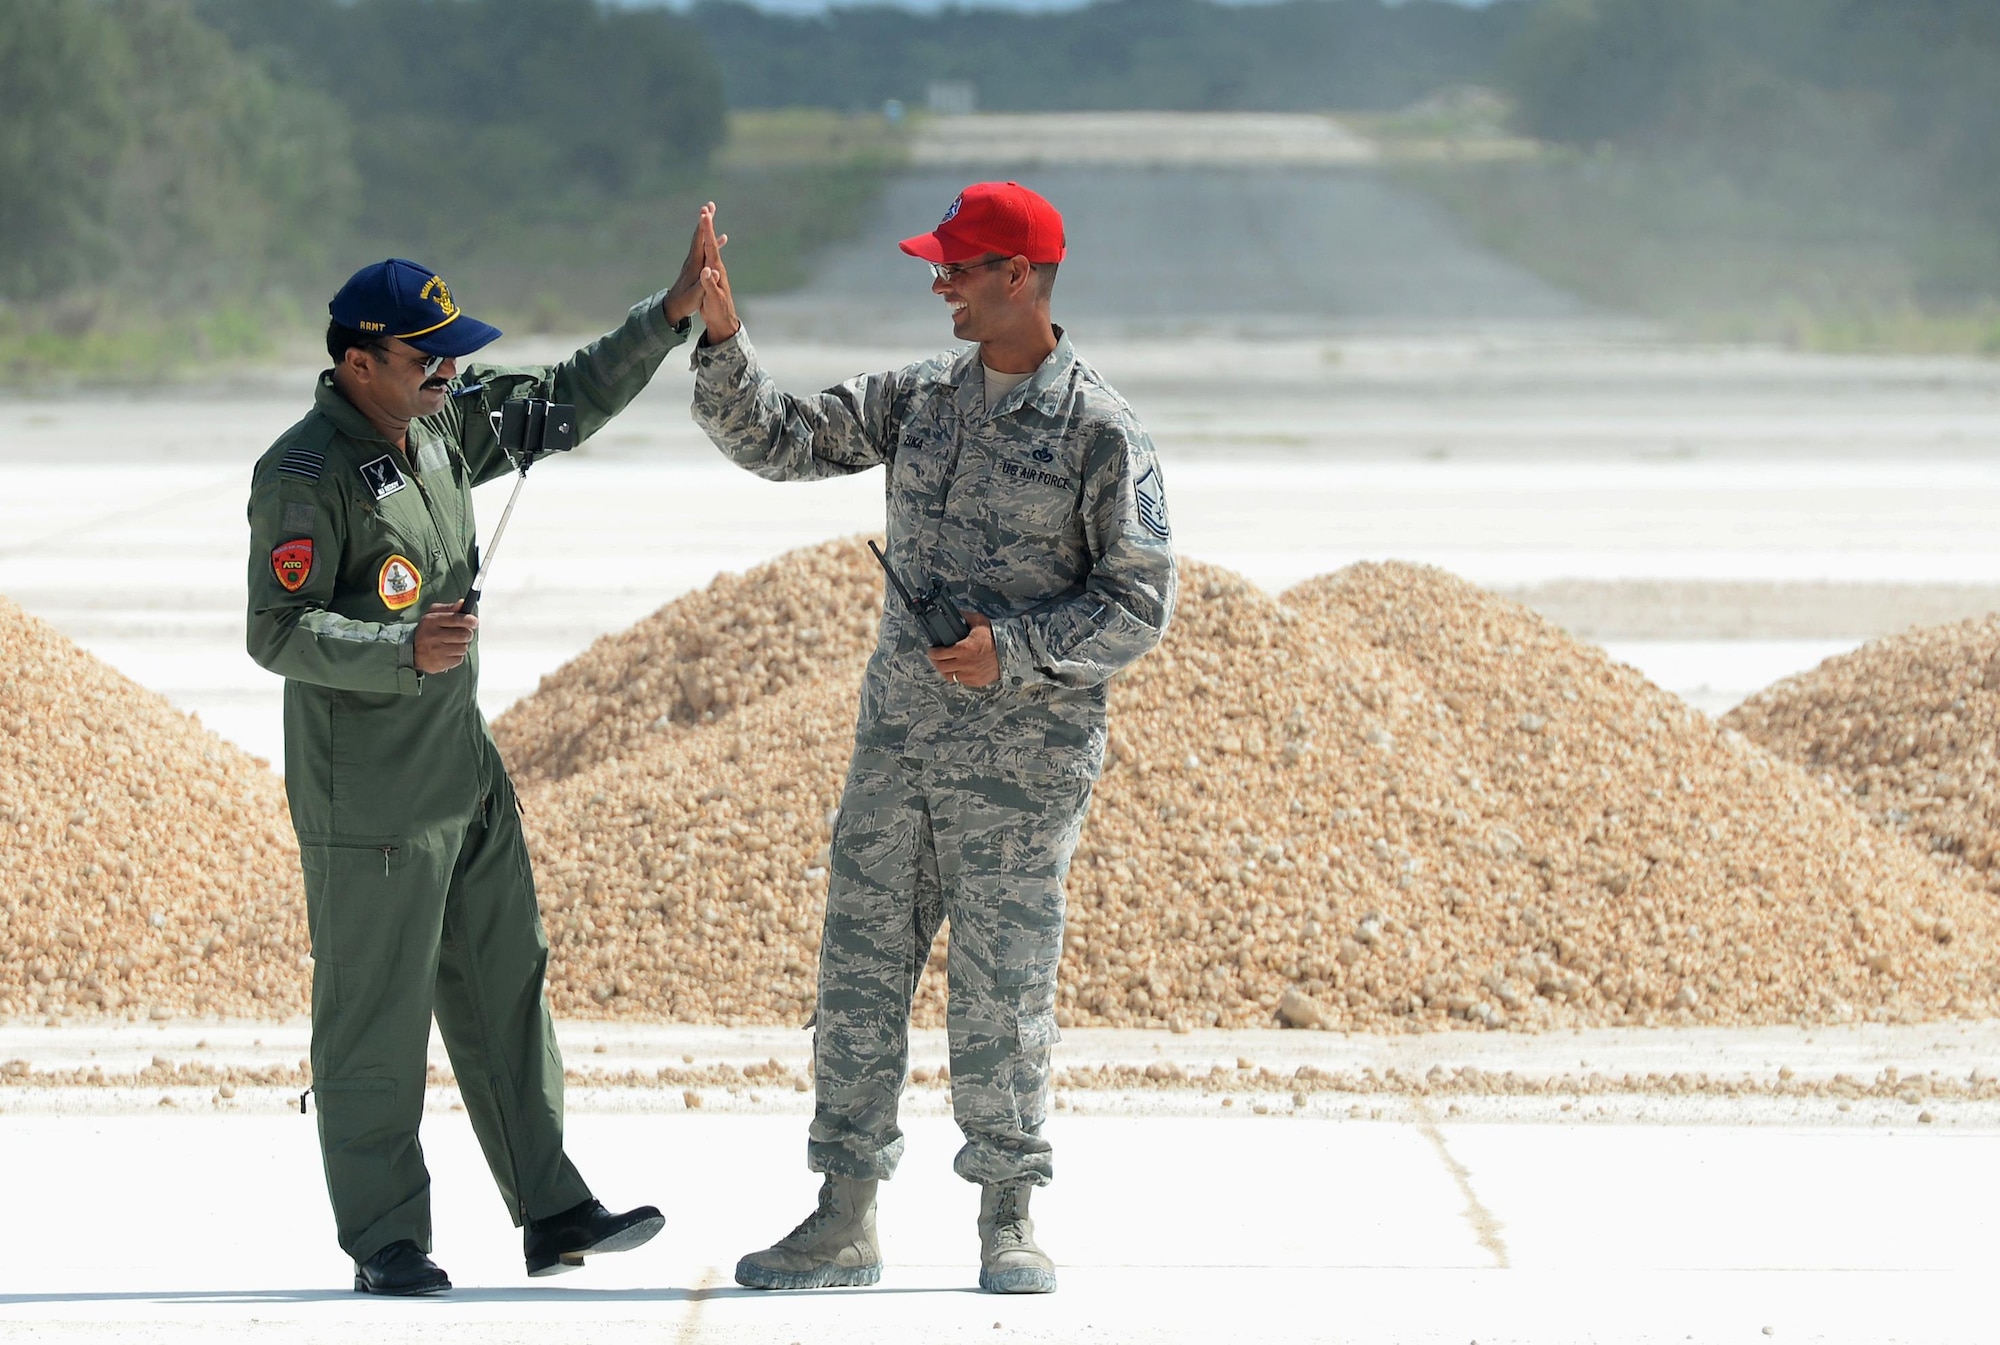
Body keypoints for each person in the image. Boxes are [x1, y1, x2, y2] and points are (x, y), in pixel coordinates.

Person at [686, 184, 1177, 1295]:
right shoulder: (918, 401)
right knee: (857, 974)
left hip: (1020, 768)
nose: (937, 284)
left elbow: (1138, 603)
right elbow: (780, 439)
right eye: (938, 266)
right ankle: (842, 1214)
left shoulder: (1099, 430)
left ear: (1020, 276)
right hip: (898, 749)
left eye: (958, 267)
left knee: (1002, 988)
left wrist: (1015, 650)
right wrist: (722, 338)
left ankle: (1008, 1214)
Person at [245, 221, 713, 1295]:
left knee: (508, 983)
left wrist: (669, 315)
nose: (446, 373)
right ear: (356, 361)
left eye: (450, 354)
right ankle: (385, 1240)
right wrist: (397, 645)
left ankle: (551, 1207)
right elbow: (277, 630)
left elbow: (563, 397)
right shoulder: (304, 475)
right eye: (424, 357)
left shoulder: (442, 423)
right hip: (370, 797)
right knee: (375, 1016)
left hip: (462, 765)